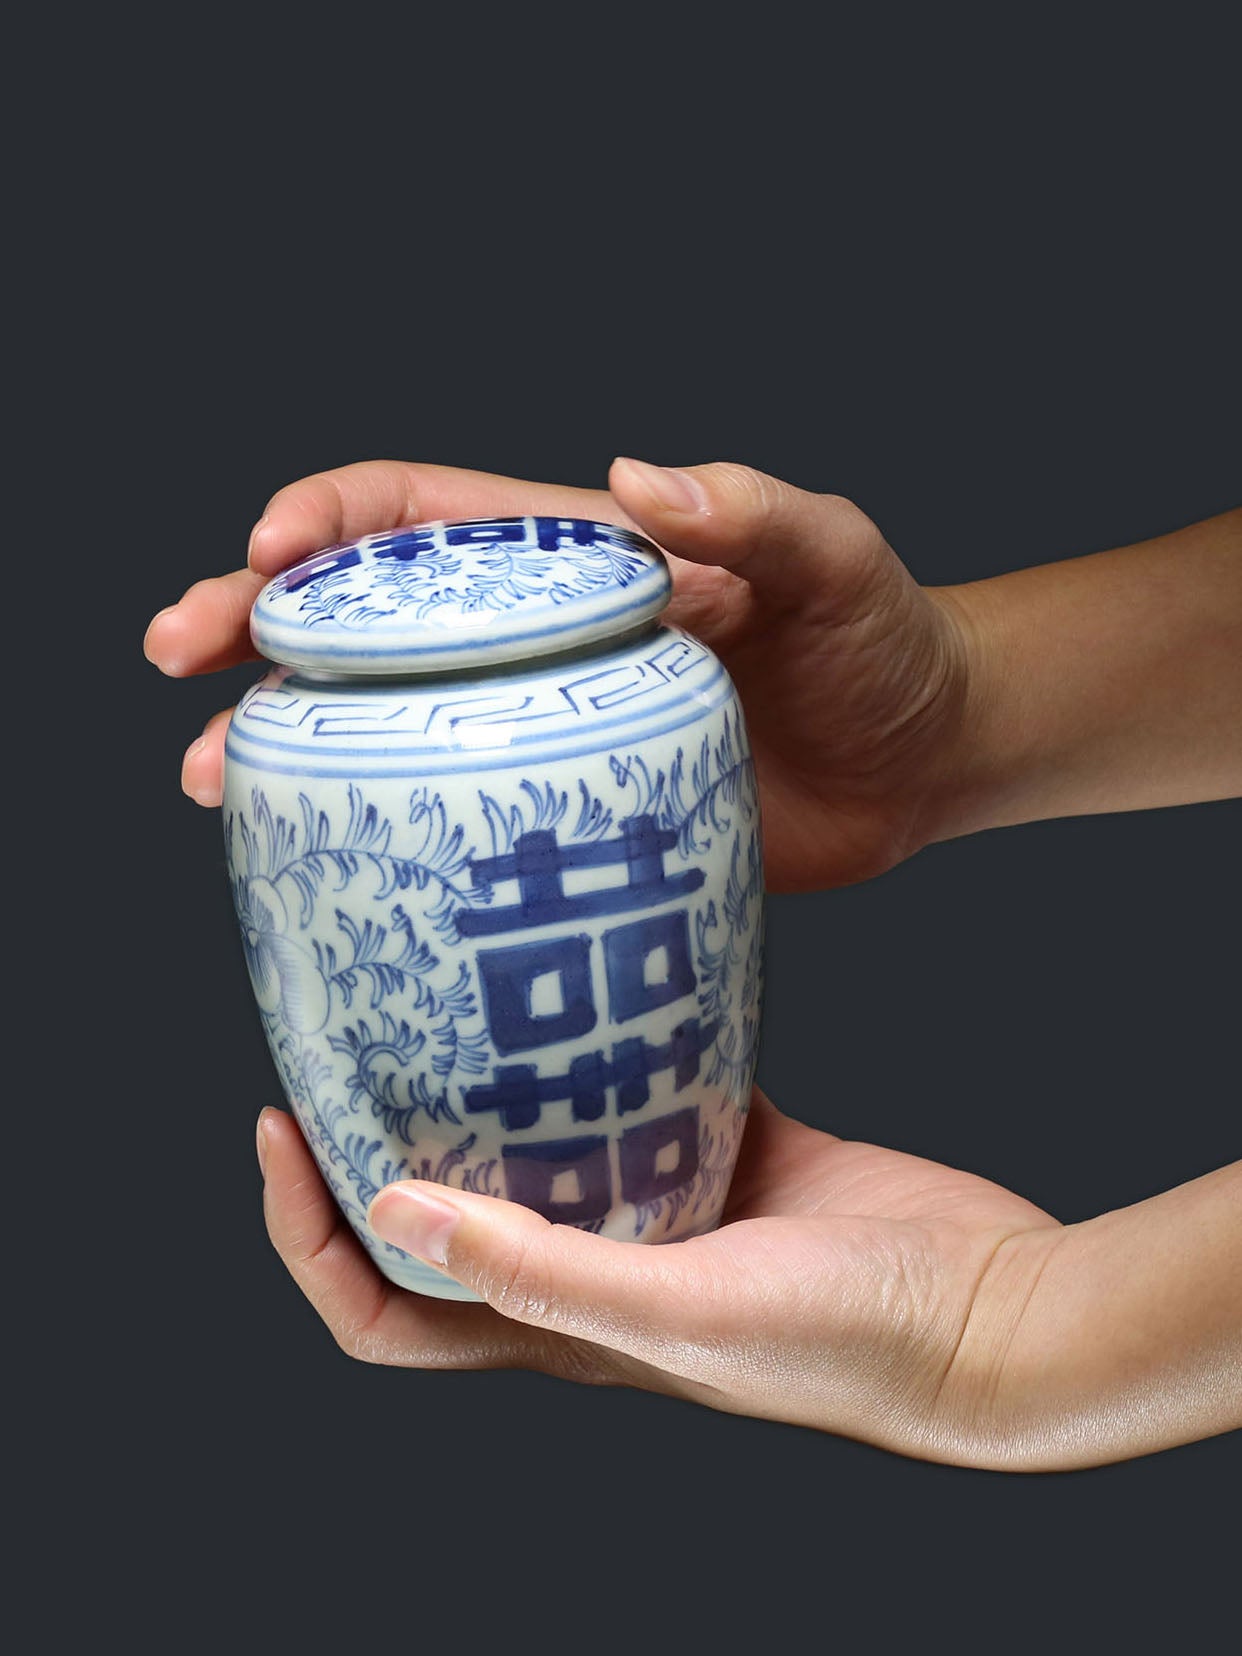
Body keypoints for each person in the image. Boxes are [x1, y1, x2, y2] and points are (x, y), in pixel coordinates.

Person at [144, 457, 1242, 1470]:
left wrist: (1011, 1339)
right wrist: (953, 705)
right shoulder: (298, 721)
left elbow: (1012, 1342)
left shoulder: (655, 677)